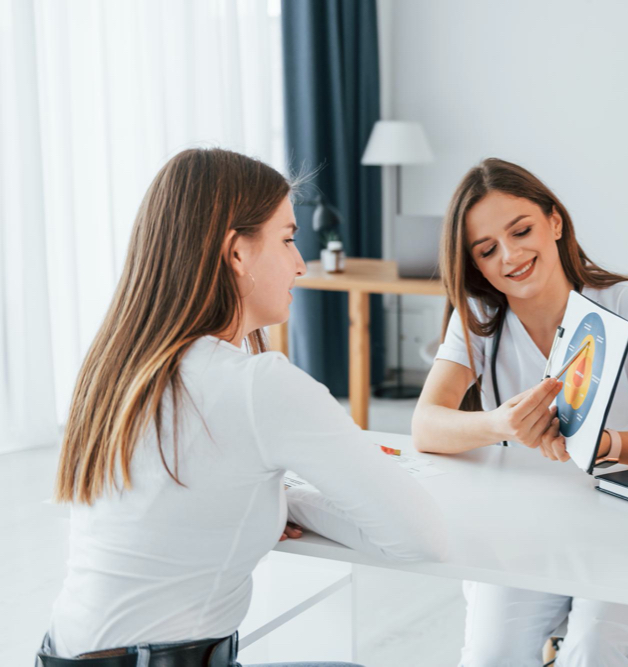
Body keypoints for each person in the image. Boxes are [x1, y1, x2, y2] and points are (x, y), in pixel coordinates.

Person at [38, 148, 447, 667]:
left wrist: (267, 498)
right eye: (288, 238)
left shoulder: (118, 365)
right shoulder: (259, 386)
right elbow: (423, 539)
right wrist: (288, 501)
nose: (300, 263)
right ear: (237, 253)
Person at [411, 158, 628, 666]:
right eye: (487, 249)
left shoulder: (626, 303)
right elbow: (425, 426)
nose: (511, 255)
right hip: (527, 526)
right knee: (489, 655)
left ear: (554, 221)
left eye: (521, 230)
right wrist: (499, 424)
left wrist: (604, 444)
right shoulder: (480, 317)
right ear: (476, 265)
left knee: (594, 644)